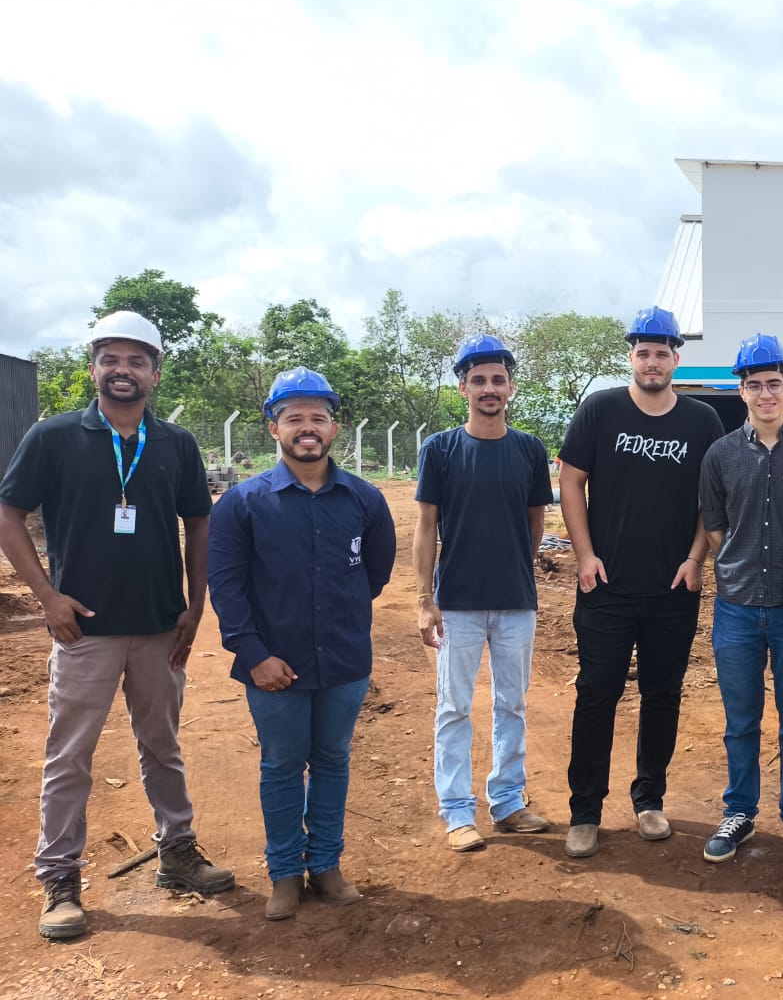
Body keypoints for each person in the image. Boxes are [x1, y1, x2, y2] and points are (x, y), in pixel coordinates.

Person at [0, 311, 234, 941]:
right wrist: (47, 597)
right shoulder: (53, 437)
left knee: (163, 747)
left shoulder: (176, 444)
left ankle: (177, 853)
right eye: (111, 359)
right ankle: (59, 878)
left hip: (159, 627)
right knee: (69, 755)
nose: (123, 370)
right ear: (93, 368)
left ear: (155, 373)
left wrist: (195, 606)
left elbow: (199, 524)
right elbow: (8, 514)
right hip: (83, 631)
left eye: (136, 361)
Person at [207, 368, 396, 920]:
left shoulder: (364, 499)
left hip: (344, 661)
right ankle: (285, 872)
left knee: (333, 760)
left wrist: (338, 621)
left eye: (318, 417)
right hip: (273, 667)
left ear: (334, 428)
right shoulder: (242, 504)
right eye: (294, 418)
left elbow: (375, 575)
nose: (307, 427)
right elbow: (227, 588)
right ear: (274, 428)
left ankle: (327, 865)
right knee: (282, 764)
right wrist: (255, 655)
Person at [559, 306, 724, 858]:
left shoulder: (702, 421)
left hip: (673, 589)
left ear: (677, 358)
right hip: (605, 586)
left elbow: (711, 500)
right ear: (631, 356)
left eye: (662, 353)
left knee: (662, 695)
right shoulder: (600, 409)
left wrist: (696, 558)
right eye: (643, 352)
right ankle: (585, 811)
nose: (652, 362)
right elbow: (571, 481)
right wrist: (584, 554)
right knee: (596, 694)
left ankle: (649, 800)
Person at [698, 335, 783, 869]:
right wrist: (738, 565)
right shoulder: (721, 455)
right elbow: (715, 526)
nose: (765, 394)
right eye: (754, 385)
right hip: (736, 607)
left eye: (773, 384)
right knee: (741, 719)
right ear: (742, 391)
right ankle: (739, 810)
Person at [414, 334, 555, 853]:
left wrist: (518, 565)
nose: (489, 388)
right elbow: (426, 526)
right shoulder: (440, 449)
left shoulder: (529, 449)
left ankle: (508, 801)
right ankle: (457, 811)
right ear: (463, 389)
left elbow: (536, 520)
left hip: (516, 601)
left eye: (498, 380)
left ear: (511, 387)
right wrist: (424, 599)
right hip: (457, 602)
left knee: (511, 704)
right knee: (454, 707)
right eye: (478, 380)